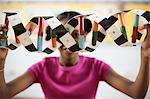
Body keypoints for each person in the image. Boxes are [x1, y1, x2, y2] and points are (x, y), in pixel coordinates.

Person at [0, 11, 149, 99]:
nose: (69, 41)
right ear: (53, 38)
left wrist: (145, 55)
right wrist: (0, 62)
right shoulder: (42, 67)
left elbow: (136, 93)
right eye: (62, 35)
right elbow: (4, 94)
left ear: (84, 38)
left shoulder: (96, 66)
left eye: (76, 34)